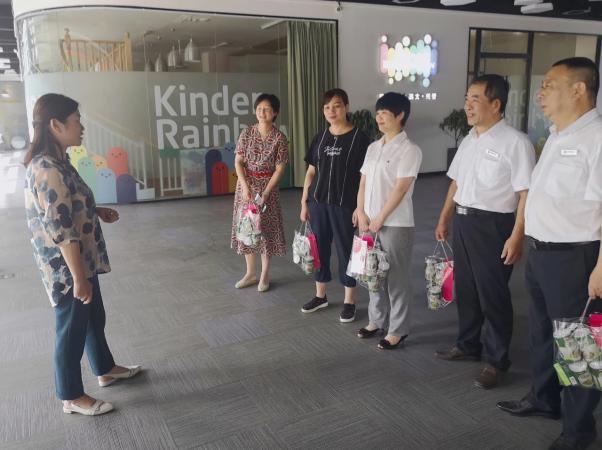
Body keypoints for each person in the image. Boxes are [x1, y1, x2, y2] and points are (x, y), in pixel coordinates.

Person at [497, 57, 602, 450]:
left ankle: (578, 430)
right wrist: (522, 236)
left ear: (578, 89)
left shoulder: (597, 138)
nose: (540, 92)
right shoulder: (557, 135)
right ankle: (544, 399)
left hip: (577, 258)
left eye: (549, 84)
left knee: (578, 344)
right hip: (542, 253)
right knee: (541, 333)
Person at [24, 93, 141, 416]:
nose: (82, 127)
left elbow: (68, 205)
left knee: (92, 318)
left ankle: (105, 369)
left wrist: (95, 210)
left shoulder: (60, 161)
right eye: (76, 121)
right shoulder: (46, 169)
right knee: (71, 329)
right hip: (67, 266)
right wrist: (78, 278)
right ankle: (71, 395)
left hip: (82, 260)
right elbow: (60, 229)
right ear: (56, 125)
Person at [434, 75, 536, 389]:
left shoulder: (516, 142)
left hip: (494, 225)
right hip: (464, 222)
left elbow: (525, 193)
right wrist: (444, 217)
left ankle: (497, 360)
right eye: (467, 98)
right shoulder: (470, 139)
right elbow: (456, 182)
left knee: (493, 294)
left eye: (475, 99)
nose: (467, 105)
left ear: (495, 104)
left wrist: (517, 235)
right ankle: (468, 344)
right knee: (466, 288)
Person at [355, 92, 421, 349]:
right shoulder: (373, 147)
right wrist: (361, 211)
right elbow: (363, 182)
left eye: (384, 113)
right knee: (372, 273)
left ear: (400, 115)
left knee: (396, 278)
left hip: (395, 224)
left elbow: (401, 189)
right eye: (378, 113)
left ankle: (398, 329)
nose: (379, 118)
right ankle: (376, 321)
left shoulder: (410, 150)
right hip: (368, 222)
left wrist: (380, 217)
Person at [300, 88, 370, 323]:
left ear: (346, 107)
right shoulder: (320, 138)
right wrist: (304, 201)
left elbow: (365, 178)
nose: (331, 111)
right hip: (318, 203)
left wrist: (360, 207)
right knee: (319, 249)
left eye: (337, 106)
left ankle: (349, 301)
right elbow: (311, 171)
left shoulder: (360, 138)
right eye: (327, 107)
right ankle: (320, 296)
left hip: (344, 206)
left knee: (346, 251)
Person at [231, 93, 288, 292]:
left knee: (266, 230)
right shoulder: (246, 133)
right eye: (259, 109)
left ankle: (264, 273)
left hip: (267, 188)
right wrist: (245, 185)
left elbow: (279, 169)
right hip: (246, 187)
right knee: (248, 228)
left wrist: (266, 192)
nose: (262, 112)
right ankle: (250, 273)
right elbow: (238, 162)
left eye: (266, 109)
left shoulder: (280, 138)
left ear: (275, 112)